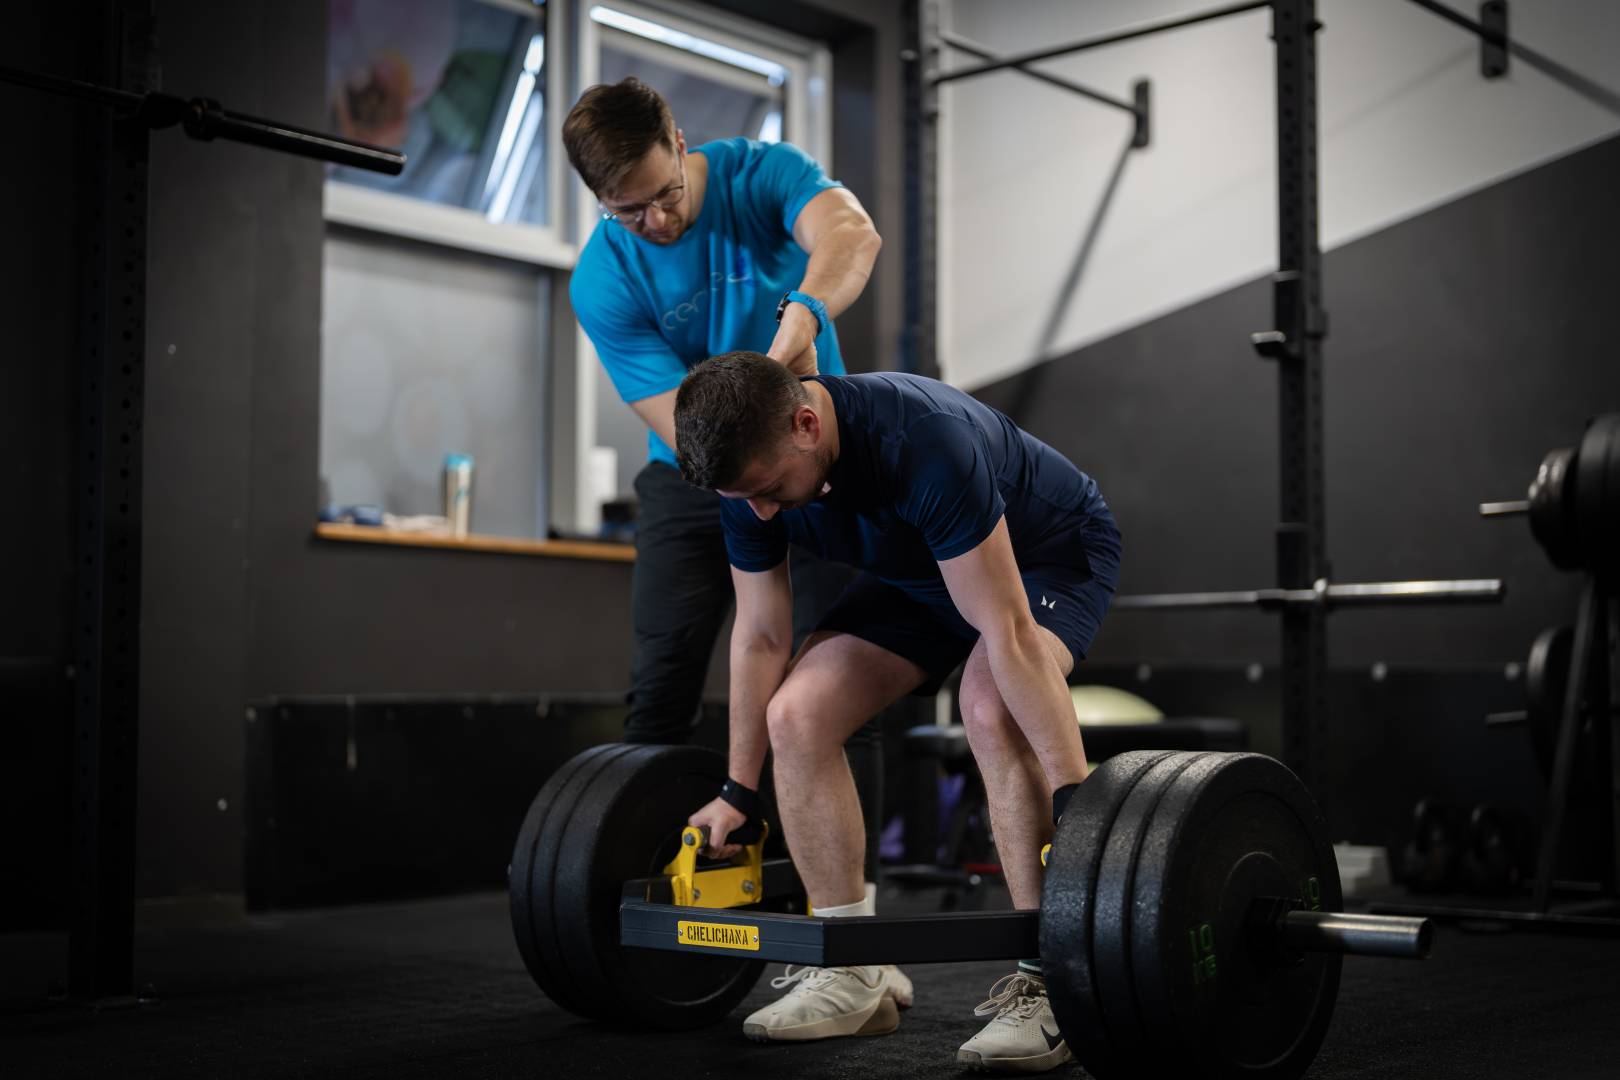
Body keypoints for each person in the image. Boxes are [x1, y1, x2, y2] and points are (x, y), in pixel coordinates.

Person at [677, 353, 1121, 1073]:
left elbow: (1005, 629)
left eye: (766, 491)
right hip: (917, 573)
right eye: (743, 498)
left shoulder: (923, 442)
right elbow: (760, 635)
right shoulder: (748, 479)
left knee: (990, 704)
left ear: (807, 425)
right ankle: (855, 970)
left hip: (1048, 555)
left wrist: (1076, 796)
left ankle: (1052, 983)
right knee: (796, 715)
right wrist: (738, 790)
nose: (759, 511)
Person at [561, 78, 898, 969]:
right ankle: (642, 912)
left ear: (680, 140)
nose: (657, 223)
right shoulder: (602, 276)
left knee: (833, 680)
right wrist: (750, 439)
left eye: (665, 195)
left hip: (816, 451)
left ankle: (844, 926)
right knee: (660, 686)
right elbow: (689, 431)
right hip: (694, 468)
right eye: (629, 212)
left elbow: (851, 233)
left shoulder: (761, 177)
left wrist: (803, 319)